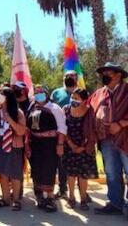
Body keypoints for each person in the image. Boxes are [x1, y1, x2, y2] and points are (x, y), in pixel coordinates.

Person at [85, 63, 128, 215]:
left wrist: (121, 124)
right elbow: (88, 111)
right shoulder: (98, 94)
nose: (104, 75)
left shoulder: (127, 90)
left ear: (118, 75)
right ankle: (115, 204)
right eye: (103, 73)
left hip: (126, 138)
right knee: (112, 173)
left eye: (108, 73)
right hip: (106, 140)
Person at [25, 85, 66, 213]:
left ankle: (50, 198)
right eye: (36, 92)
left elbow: (62, 128)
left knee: (48, 169)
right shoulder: (32, 107)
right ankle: (40, 196)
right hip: (35, 144)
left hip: (50, 144)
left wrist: (60, 144)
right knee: (37, 169)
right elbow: (27, 127)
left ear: (46, 94)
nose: (38, 94)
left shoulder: (54, 108)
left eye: (41, 92)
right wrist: (27, 144)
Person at [0, 87, 27, 211]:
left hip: (14, 146)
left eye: (1, 94)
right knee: (3, 174)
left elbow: (22, 131)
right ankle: (5, 199)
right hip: (0, 146)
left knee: (15, 175)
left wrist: (10, 120)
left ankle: (16, 200)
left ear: (8, 97)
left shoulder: (18, 113)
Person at [62, 88, 98, 211]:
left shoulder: (90, 112)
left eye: (77, 98)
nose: (73, 99)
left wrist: (82, 146)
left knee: (83, 176)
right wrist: (71, 145)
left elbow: (93, 130)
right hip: (69, 147)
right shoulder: (65, 109)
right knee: (71, 175)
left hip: (85, 147)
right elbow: (62, 129)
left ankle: (83, 199)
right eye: (72, 96)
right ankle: (71, 198)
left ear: (84, 100)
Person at [50, 71, 79, 200]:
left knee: (78, 161)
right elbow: (50, 109)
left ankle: (83, 191)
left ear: (77, 79)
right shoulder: (56, 93)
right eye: (67, 76)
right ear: (63, 79)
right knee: (61, 162)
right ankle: (63, 189)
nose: (70, 78)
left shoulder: (82, 92)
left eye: (72, 76)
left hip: (77, 132)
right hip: (60, 132)